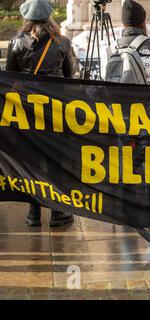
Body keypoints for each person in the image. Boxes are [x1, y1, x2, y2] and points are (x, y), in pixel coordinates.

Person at [5, 0, 74, 227]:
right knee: (57, 161)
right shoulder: (63, 43)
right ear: (49, 18)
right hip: (55, 112)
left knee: (31, 162)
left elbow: (9, 79)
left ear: (27, 18)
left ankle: (34, 212)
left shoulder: (16, 43)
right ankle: (58, 211)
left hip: (26, 113)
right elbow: (70, 80)